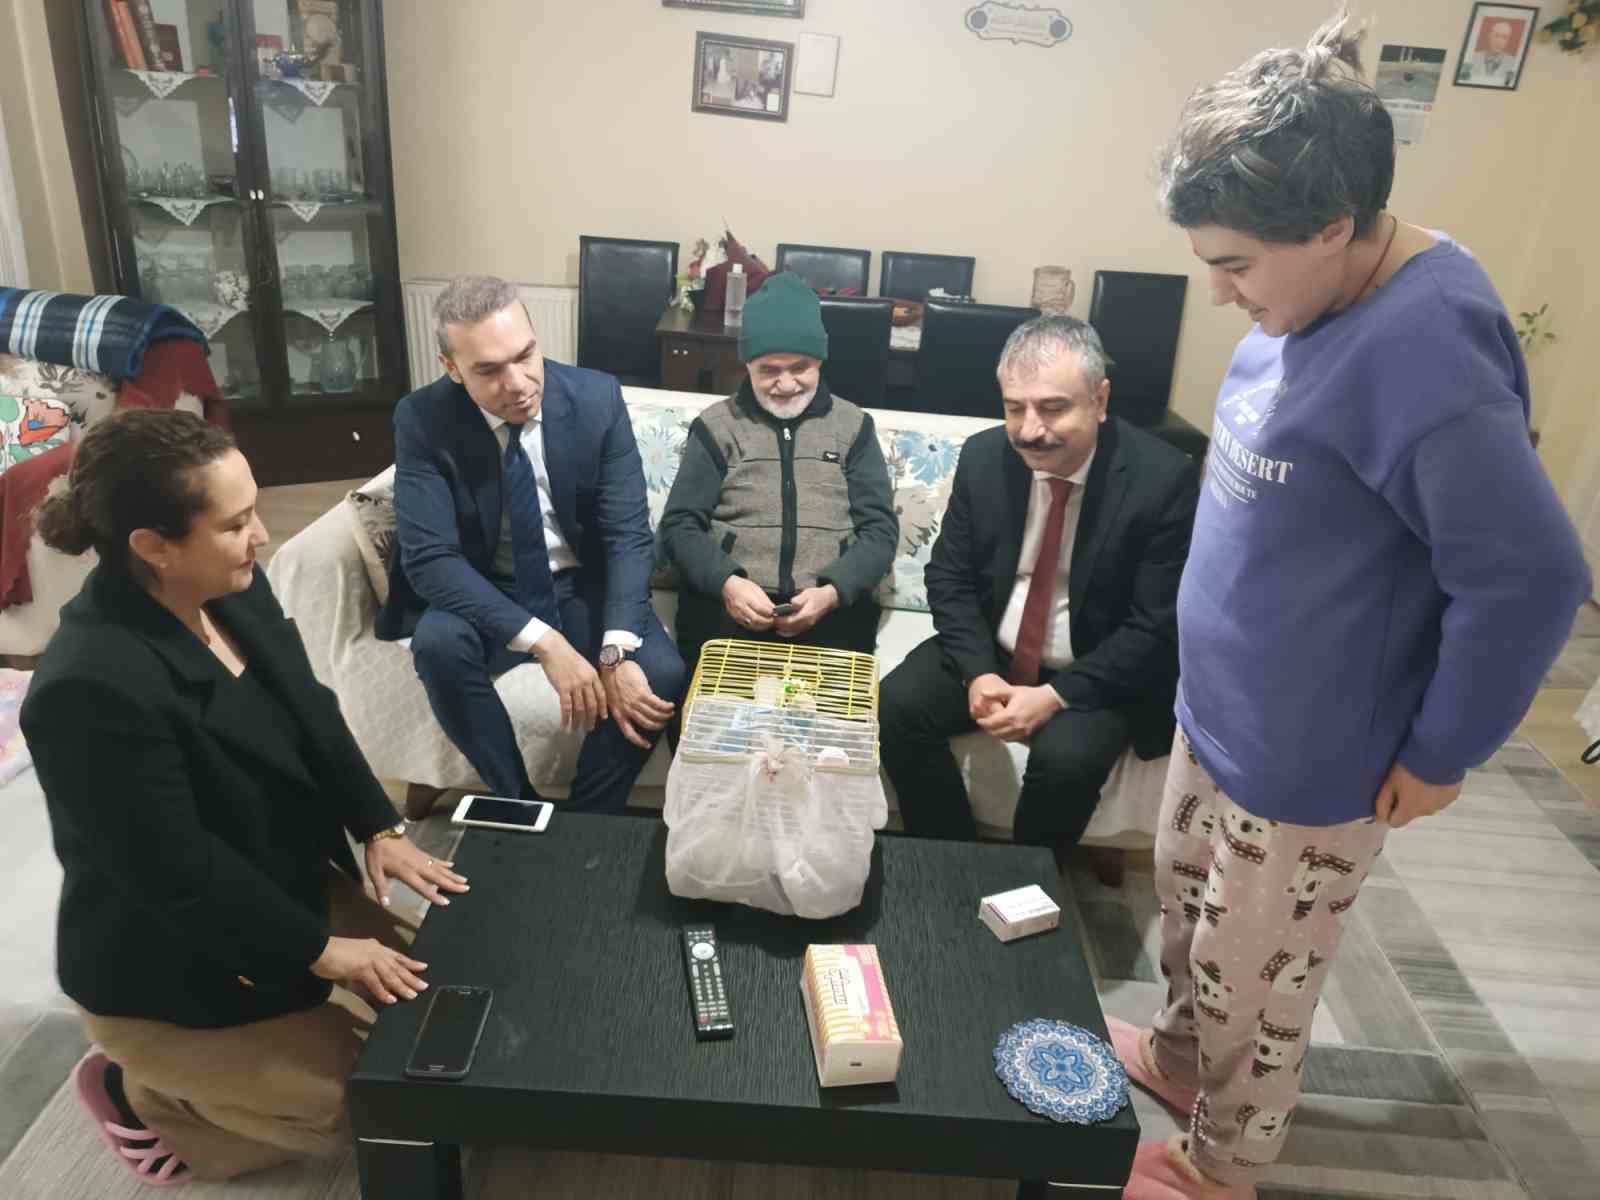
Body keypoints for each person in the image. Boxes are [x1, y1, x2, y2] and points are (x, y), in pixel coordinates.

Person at [1116, 11, 1592, 1199]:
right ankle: (1177, 1059)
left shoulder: (1426, 352)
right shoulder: (1312, 292)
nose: (1217, 293)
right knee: (1187, 925)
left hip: (1306, 760)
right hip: (1216, 715)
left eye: (1235, 265)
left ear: (1333, 228)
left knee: (1254, 982)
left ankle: (1222, 1164)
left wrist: (1441, 751)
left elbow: (1531, 575)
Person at [20, 409, 468, 1184]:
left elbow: (310, 707)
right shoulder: (87, 689)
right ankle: (140, 1094)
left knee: (438, 983)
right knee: (359, 1104)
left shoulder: (231, 585)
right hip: (166, 958)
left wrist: (379, 825)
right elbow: (179, 876)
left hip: (275, 873)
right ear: (153, 546)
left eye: (254, 511)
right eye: (234, 524)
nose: (261, 534)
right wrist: (325, 952)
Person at [877, 315, 1199, 855]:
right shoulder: (985, 457)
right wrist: (979, 672)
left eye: (1052, 408)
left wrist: (1054, 696)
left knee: (1066, 762)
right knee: (895, 706)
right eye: (1014, 408)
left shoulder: (1162, 480)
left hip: (1093, 666)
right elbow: (950, 576)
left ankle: (1026, 880)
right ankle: (952, 856)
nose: (1029, 430)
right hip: (995, 647)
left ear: (1099, 400)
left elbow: (1155, 624)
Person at [377, 276, 685, 814]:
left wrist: (613, 651)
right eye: (489, 370)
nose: (518, 384)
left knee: (662, 672)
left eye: (525, 356)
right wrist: (548, 645)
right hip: (486, 588)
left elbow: (627, 534)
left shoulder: (596, 398)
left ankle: (584, 820)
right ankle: (520, 806)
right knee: (438, 644)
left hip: (579, 584)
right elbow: (431, 560)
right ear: (451, 368)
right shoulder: (422, 419)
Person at [657, 271, 898, 690]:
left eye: (800, 367)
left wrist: (832, 593)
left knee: (830, 727)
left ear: (820, 360)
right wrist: (727, 583)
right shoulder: (716, 426)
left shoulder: (854, 426)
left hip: (830, 610)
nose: (786, 384)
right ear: (747, 364)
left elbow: (880, 531)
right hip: (726, 608)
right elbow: (679, 525)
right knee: (708, 723)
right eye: (769, 370)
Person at [1457, 18, 1520, 87]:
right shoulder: (1472, 57)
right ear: (1489, 36)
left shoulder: (1513, 63)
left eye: (1504, 37)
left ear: (1508, 40)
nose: (1499, 41)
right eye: (1496, 35)